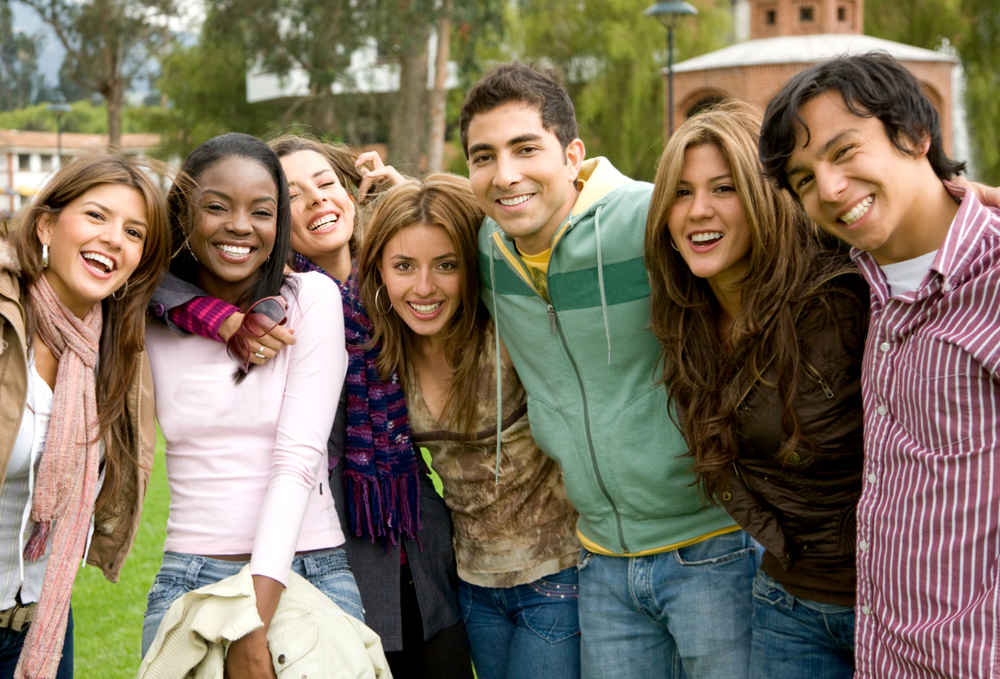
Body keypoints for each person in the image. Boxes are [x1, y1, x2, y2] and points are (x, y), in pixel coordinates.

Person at [461, 61, 755, 679]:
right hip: (600, 560)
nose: (504, 174)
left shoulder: (651, 221)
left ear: (572, 154)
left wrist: (955, 198)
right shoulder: (486, 248)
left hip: (712, 545)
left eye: (525, 148)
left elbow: (781, 230)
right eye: (483, 156)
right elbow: (406, 240)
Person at [151, 136, 472, 678]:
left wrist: (415, 203)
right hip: (336, 543)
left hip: (421, 543)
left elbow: (468, 251)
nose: (319, 200)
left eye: (327, 183)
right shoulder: (273, 305)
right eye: (294, 195)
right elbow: (155, 283)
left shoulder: (396, 288)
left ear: (352, 194)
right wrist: (222, 319)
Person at [759, 51, 1000, 679]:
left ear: (916, 134)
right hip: (885, 650)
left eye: (843, 152)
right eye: (804, 178)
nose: (830, 190)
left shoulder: (991, 279)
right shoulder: (862, 282)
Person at [645, 100, 867, 678]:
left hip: (892, 603)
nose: (698, 211)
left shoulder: (844, 295)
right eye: (680, 192)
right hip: (786, 605)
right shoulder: (685, 319)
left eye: (724, 188)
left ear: (765, 195)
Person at [141, 133, 361, 678]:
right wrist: (215, 318)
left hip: (306, 570)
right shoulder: (147, 314)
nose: (240, 226)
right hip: (188, 575)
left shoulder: (308, 300)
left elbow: (296, 461)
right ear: (183, 214)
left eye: (262, 212)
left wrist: (252, 625)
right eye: (216, 207)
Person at [357, 174, 582, 679]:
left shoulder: (506, 330)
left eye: (446, 265)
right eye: (404, 267)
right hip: (473, 584)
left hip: (556, 571)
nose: (423, 288)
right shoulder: (385, 354)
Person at [0, 150, 170, 678]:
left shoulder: (112, 349)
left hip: (42, 619)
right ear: (47, 225)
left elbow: (235, 258)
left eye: (135, 232)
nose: (115, 239)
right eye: (96, 215)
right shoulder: (6, 322)